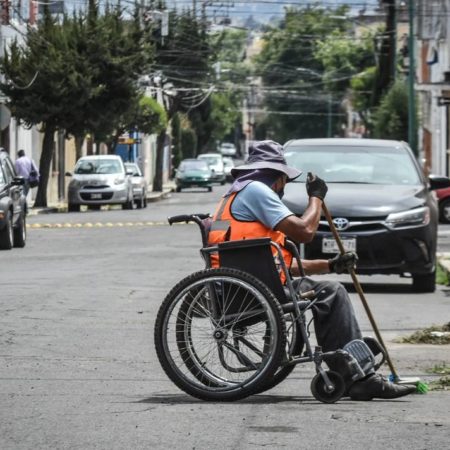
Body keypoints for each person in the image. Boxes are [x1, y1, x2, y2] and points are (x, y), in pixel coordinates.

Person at [207, 140, 416, 401]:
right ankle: (358, 377)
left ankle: (355, 370)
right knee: (333, 292)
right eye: (284, 179)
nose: (283, 187)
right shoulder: (258, 192)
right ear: (279, 176)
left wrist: (330, 265)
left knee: (328, 286)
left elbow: (280, 267)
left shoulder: (234, 196)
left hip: (239, 290)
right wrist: (316, 198)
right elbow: (305, 232)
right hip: (254, 292)